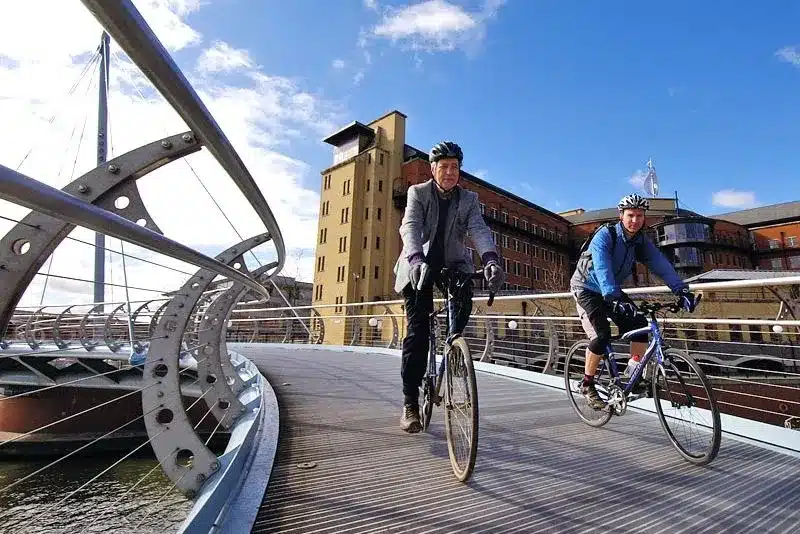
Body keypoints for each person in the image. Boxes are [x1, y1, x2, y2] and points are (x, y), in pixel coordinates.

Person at [393, 141, 505, 433]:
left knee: (461, 313)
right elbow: (410, 226)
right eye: (444, 166)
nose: (450, 172)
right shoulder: (417, 193)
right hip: (419, 265)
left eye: (455, 167)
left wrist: (491, 258)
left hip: (453, 266)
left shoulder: (468, 199)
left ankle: (453, 352)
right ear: (433, 169)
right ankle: (410, 403)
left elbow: (479, 230)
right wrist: (416, 258)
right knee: (417, 334)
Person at [569, 193, 698, 409]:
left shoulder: (639, 241)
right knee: (602, 335)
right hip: (587, 288)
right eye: (630, 215)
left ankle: (632, 376)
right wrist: (612, 295)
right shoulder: (605, 235)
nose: (635, 220)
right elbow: (602, 267)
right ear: (621, 215)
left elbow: (661, 264)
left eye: (639, 215)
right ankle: (587, 383)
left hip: (612, 290)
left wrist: (681, 290)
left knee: (640, 326)